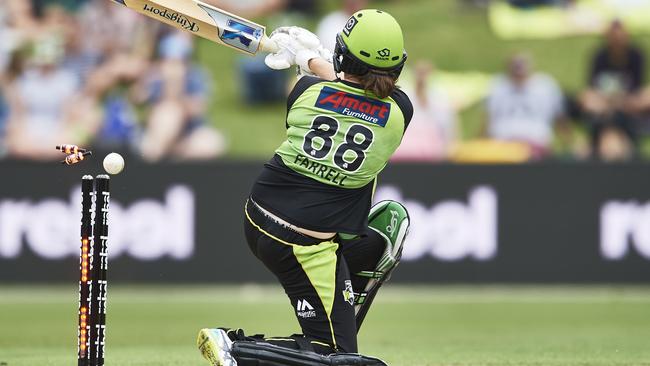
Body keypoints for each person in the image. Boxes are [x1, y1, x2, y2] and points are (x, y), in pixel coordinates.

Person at [196, 9, 413, 366]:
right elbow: (364, 95)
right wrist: (313, 57)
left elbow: (333, 87)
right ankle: (236, 350)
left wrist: (306, 58)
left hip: (261, 213)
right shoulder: (400, 113)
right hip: (302, 245)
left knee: (388, 226)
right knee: (341, 358)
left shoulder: (304, 91)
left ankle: (332, 316)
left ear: (343, 55)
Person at [579, 20, 645, 159]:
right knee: (587, 99)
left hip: (628, 105)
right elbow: (590, 91)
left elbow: (639, 91)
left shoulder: (636, 55)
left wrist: (621, 102)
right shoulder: (599, 56)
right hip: (604, 107)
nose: (617, 42)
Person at [483, 53, 569, 159]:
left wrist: (570, 143)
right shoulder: (497, 85)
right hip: (502, 145)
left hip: (535, 144)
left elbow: (559, 119)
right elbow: (487, 120)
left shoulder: (545, 86)